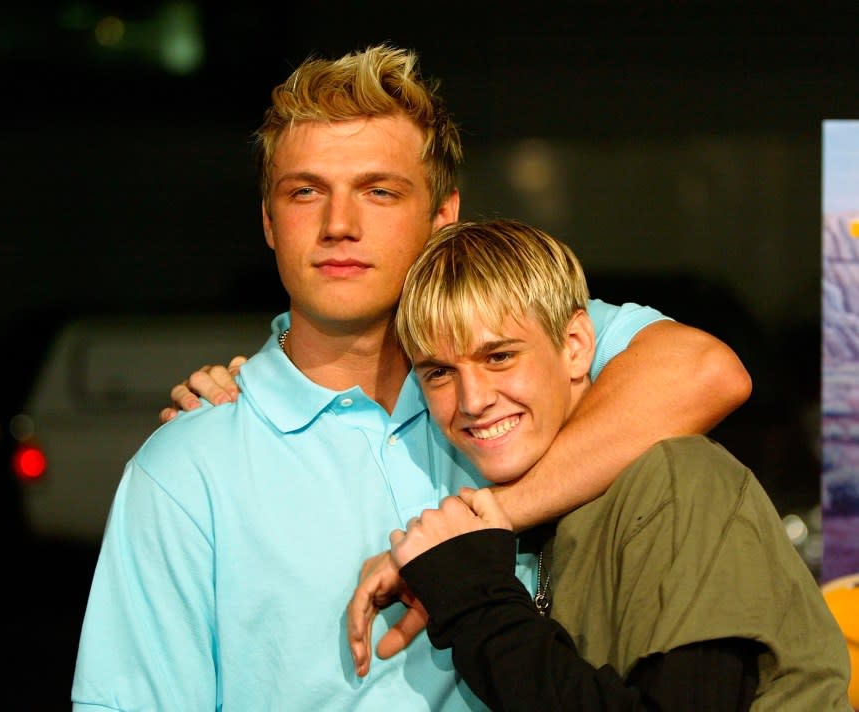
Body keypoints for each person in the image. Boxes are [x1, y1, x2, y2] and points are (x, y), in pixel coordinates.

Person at [72, 45, 751, 710]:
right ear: (269, 222)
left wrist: (476, 524)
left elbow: (706, 371)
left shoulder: (516, 361)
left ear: (443, 218)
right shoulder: (188, 468)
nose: (339, 225)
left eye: (378, 191)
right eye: (306, 192)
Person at [345, 218, 852, 711]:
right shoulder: (553, 514)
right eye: (438, 372)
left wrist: (474, 598)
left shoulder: (676, 480)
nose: (473, 399)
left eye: (499, 357)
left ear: (575, 347)